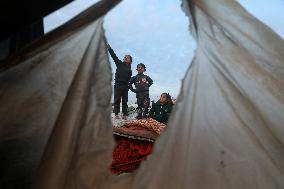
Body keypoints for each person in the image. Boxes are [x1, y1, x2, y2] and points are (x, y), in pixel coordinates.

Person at [106, 43, 132, 119]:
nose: (125, 58)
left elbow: (129, 79)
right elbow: (114, 56)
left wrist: (128, 87)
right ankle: (116, 113)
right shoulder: (119, 63)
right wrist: (109, 48)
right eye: (125, 57)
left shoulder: (130, 70)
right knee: (117, 99)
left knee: (125, 101)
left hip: (125, 86)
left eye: (127, 57)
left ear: (130, 60)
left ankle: (125, 114)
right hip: (118, 85)